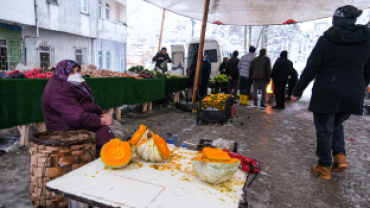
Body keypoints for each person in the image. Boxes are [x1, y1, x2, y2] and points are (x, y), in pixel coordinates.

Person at [291, 5, 370, 180]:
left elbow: (311, 67)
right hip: (352, 93)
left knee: (325, 128)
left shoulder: (326, 39)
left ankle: (324, 165)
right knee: (336, 124)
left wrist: (297, 91)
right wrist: (359, 86)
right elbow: (368, 70)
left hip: (327, 91)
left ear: (336, 22)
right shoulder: (366, 40)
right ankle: (339, 156)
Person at [41, 60, 124, 149]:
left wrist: (100, 113)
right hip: (68, 132)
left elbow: (88, 103)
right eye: (72, 72)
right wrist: (102, 121)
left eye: (78, 71)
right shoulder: (58, 89)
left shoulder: (75, 83)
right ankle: (100, 157)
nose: (76, 74)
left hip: (80, 125)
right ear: (61, 72)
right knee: (116, 136)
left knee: (116, 126)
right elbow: (77, 118)